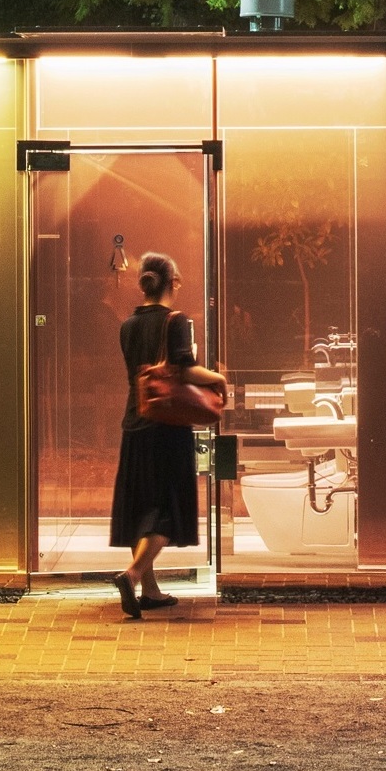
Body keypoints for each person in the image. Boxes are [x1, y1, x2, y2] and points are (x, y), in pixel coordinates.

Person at [110, 252, 228, 619]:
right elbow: (185, 371)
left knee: (142, 505)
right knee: (166, 509)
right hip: (167, 426)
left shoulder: (127, 324)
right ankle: (131, 575)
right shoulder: (177, 321)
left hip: (135, 422)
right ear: (172, 282)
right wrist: (219, 378)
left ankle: (150, 589)